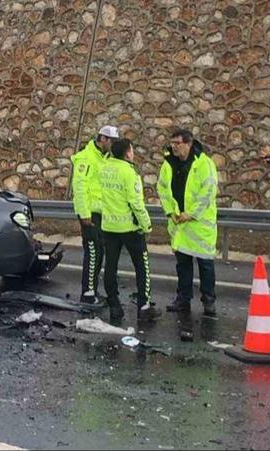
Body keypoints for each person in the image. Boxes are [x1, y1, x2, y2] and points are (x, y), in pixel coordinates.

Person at [156, 129, 219, 317]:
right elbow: (162, 188)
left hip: (199, 225)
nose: (173, 146)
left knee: (205, 264)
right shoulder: (168, 163)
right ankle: (183, 298)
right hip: (179, 224)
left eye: (177, 143)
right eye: (172, 143)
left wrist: (191, 214)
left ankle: (208, 300)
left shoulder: (204, 164)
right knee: (182, 264)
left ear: (188, 143)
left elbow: (208, 191)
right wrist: (170, 211)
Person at [99, 137, 160, 324]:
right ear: (127, 153)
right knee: (142, 267)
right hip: (130, 228)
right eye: (132, 149)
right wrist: (146, 224)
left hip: (109, 226)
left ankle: (114, 305)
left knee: (110, 266)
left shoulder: (104, 169)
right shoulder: (129, 173)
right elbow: (136, 203)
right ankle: (144, 306)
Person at [71, 125, 120, 303]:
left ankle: (93, 289)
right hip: (89, 213)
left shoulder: (105, 158)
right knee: (92, 252)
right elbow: (80, 187)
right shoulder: (86, 157)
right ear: (102, 139)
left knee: (99, 252)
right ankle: (87, 292)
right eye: (111, 141)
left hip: (101, 213)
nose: (113, 144)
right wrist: (84, 214)